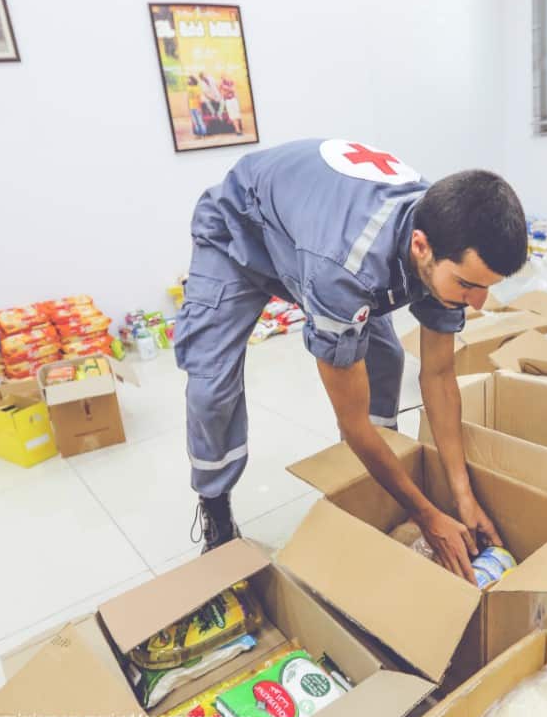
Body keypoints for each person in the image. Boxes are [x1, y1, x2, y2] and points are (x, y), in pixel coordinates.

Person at [175, 138, 528, 583]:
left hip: (312, 235)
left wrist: (464, 497)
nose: (477, 303)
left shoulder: (449, 233)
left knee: (388, 357)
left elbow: (438, 375)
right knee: (211, 386)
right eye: (467, 286)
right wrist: (425, 515)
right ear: (421, 247)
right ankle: (215, 507)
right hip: (240, 229)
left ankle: (377, 474)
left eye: (485, 287)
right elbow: (352, 421)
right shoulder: (343, 269)